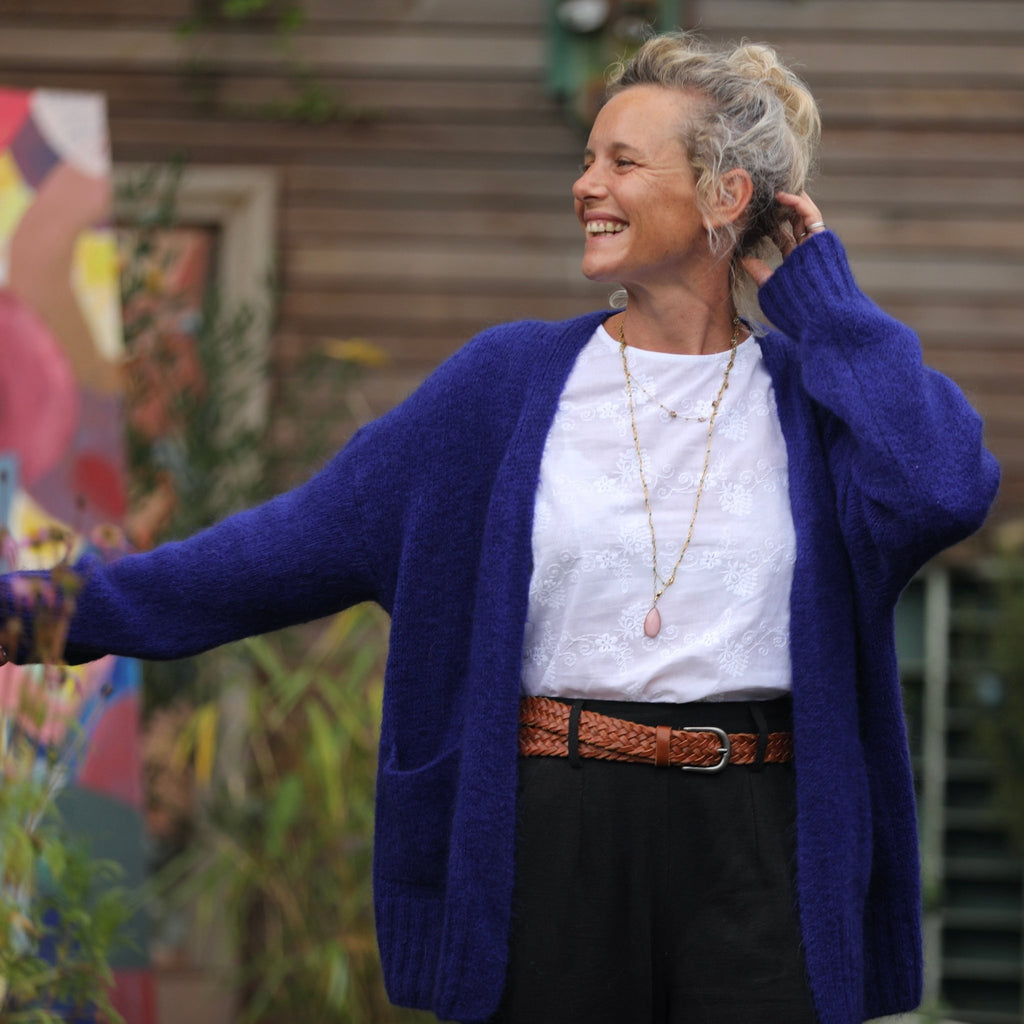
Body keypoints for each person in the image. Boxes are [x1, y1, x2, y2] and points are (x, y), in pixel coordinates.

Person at [0, 31, 999, 1024]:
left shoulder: (813, 400)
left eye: (623, 162)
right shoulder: (500, 386)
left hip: (762, 846)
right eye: (586, 158)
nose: (585, 184)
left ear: (723, 196)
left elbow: (942, 487)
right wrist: (37, 613)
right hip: (550, 837)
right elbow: (272, 551)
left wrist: (827, 305)